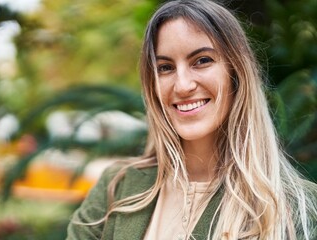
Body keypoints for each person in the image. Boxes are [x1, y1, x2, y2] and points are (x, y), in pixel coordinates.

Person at [67, 0, 317, 239]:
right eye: (165, 67)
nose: (183, 85)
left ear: (236, 73)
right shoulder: (117, 187)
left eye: (202, 61)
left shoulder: (297, 206)